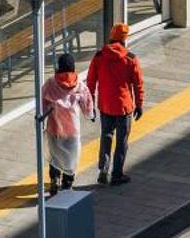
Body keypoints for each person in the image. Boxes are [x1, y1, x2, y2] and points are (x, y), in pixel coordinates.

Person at [86, 24, 145, 186]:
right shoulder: (131, 58)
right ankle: (117, 174)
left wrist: (89, 104)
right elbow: (138, 84)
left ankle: (103, 170)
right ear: (125, 40)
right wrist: (139, 104)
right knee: (122, 141)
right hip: (124, 107)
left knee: (106, 137)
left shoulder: (99, 56)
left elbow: (90, 82)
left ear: (111, 36)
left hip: (105, 105)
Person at [41, 52, 96, 191]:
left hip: (54, 129)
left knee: (54, 156)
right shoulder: (79, 85)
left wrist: (41, 117)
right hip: (72, 131)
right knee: (71, 159)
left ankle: (54, 179)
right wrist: (91, 115)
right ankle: (67, 183)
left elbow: (42, 104)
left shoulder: (50, 83)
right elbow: (87, 104)